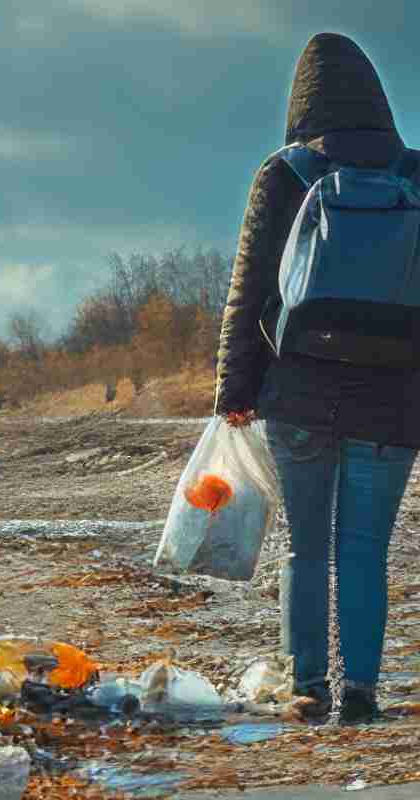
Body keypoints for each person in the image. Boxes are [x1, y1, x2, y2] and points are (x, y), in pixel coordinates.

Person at [214, 32, 419, 725]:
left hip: (299, 388)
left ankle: (308, 688)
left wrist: (233, 390)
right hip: (395, 398)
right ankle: (361, 692)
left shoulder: (283, 173)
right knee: (364, 550)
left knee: (306, 545)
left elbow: (247, 293)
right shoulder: (415, 172)